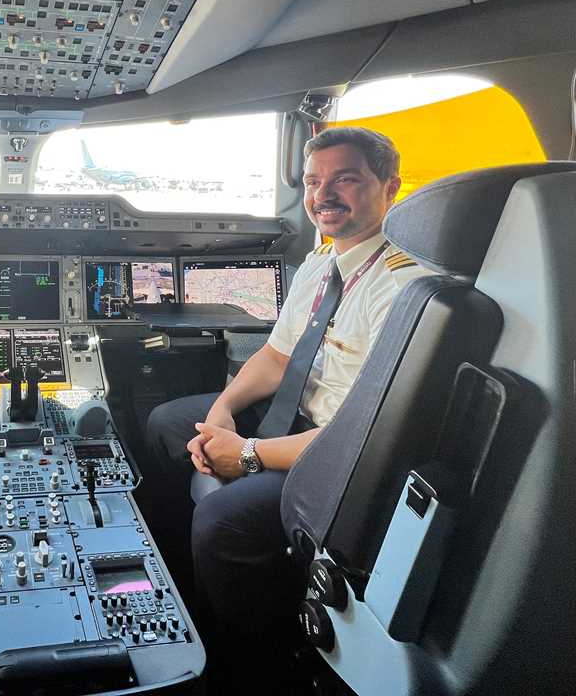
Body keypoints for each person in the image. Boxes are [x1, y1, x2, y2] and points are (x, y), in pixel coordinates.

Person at [145, 127, 433, 651]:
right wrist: (224, 412)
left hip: (341, 450)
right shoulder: (322, 264)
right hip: (296, 416)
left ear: (391, 187)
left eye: (345, 180)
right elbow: (278, 356)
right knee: (167, 422)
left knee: (221, 519)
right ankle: (173, 568)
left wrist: (249, 455)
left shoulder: (401, 288)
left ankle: (248, 653)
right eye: (313, 181)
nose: (323, 196)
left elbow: (360, 433)